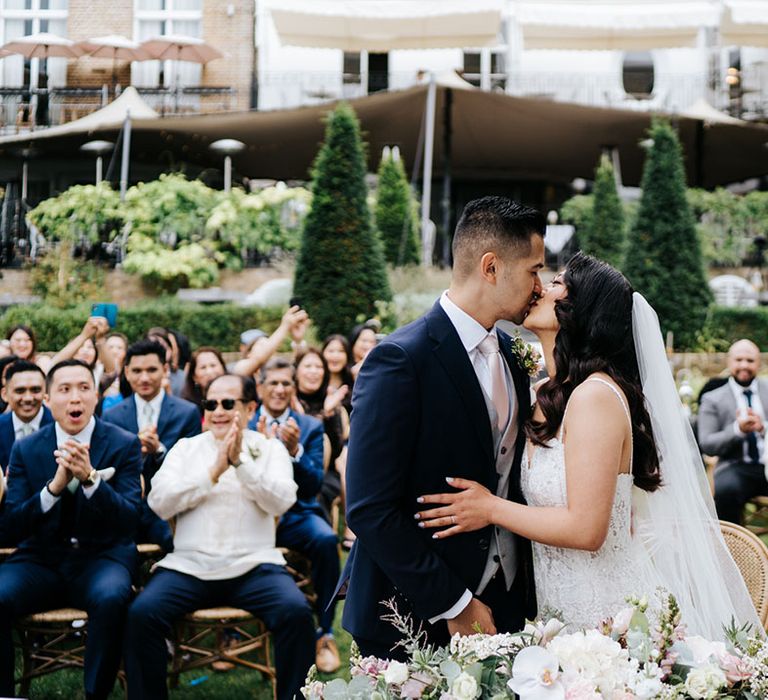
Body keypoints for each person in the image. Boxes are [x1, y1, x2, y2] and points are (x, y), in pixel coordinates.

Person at [416, 252, 761, 640]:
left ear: (582, 309)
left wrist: (490, 508)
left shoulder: (595, 396)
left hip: (611, 618)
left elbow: (586, 529)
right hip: (558, 613)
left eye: (558, 283)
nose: (541, 287)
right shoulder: (540, 395)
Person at [337, 196, 546, 658]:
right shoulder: (399, 359)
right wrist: (454, 603)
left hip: (506, 601)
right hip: (413, 612)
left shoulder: (513, 355)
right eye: (534, 270)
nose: (540, 285)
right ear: (491, 267)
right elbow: (369, 508)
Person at [124, 373, 314, 700]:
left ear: (251, 407)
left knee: (296, 613)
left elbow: (283, 500)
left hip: (255, 566)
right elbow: (158, 502)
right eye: (211, 403)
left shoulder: (269, 449)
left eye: (229, 403)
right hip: (189, 567)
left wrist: (240, 464)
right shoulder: (186, 449)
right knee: (141, 615)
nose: (218, 411)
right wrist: (212, 473)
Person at [0, 359, 142, 699]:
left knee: (111, 597)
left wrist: (91, 480)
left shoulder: (123, 443)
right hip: (41, 560)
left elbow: (130, 520)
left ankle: (96, 693)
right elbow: (10, 527)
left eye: (83, 388)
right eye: (64, 390)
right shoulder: (27, 448)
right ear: (49, 400)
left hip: (101, 558)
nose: (75, 398)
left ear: (96, 395)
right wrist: (53, 489)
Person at [250, 357, 341, 673]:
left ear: (293, 388)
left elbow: (314, 484)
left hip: (296, 514)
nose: (278, 389)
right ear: (260, 386)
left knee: (327, 539)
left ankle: (325, 632)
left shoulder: (310, 427)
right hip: (255, 515)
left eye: (285, 383)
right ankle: (236, 631)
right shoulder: (245, 424)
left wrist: (293, 453)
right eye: (272, 383)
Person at [102, 339, 201, 550]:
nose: (144, 377)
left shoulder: (187, 412)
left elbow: (193, 466)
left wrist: (159, 450)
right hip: (126, 505)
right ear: (127, 373)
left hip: (169, 509)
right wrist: (132, 451)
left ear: (165, 370)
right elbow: (109, 465)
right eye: (137, 371)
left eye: (151, 370)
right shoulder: (112, 416)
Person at [698, 339, 768, 524]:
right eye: (738, 360)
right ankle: (734, 548)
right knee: (726, 490)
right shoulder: (712, 399)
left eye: (750, 360)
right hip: (735, 467)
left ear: (759, 363)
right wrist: (738, 430)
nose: (744, 365)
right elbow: (707, 444)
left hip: (767, 464)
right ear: (729, 362)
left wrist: (763, 428)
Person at [0, 360, 53, 546]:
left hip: (53, 522)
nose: (29, 398)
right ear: (5, 394)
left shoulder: (61, 426)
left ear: (46, 393)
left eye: (36, 390)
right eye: (20, 391)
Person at [294, 348, 349, 526]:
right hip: (292, 467)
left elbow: (335, 451)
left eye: (318, 367)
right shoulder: (287, 399)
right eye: (308, 366)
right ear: (297, 371)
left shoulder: (331, 402)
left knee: (321, 489)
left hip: (324, 473)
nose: (313, 371)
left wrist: (328, 413)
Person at [233, 306, 309, 380]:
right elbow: (256, 360)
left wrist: (298, 341)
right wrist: (285, 326)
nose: (270, 350)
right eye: (262, 345)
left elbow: (298, 369)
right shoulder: (239, 369)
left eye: (270, 345)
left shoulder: (278, 371)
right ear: (248, 353)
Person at [181, 346, 227, 414]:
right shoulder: (187, 407)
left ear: (223, 368)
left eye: (213, 365)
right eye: (203, 367)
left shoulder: (237, 395)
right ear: (194, 377)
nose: (209, 372)